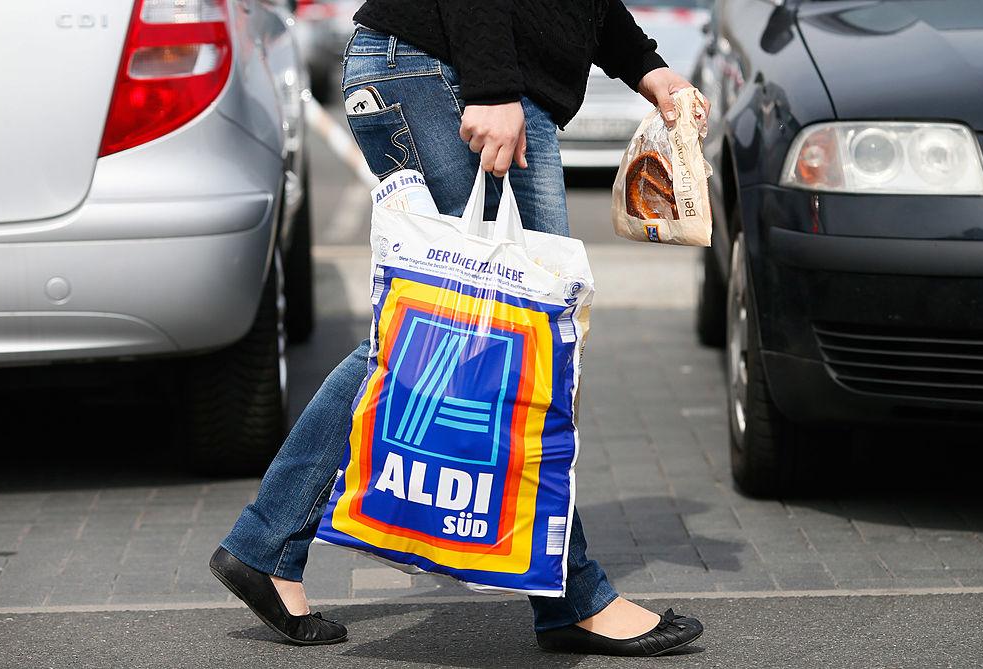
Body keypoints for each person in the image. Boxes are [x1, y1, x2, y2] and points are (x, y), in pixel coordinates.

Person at [210, 0, 708, 657]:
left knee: (452, 324)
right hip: (444, 71)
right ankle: (573, 598)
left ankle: (267, 544)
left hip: (458, 72)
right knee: (499, 329)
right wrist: (494, 85)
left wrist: (646, 67)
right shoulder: (485, 82)